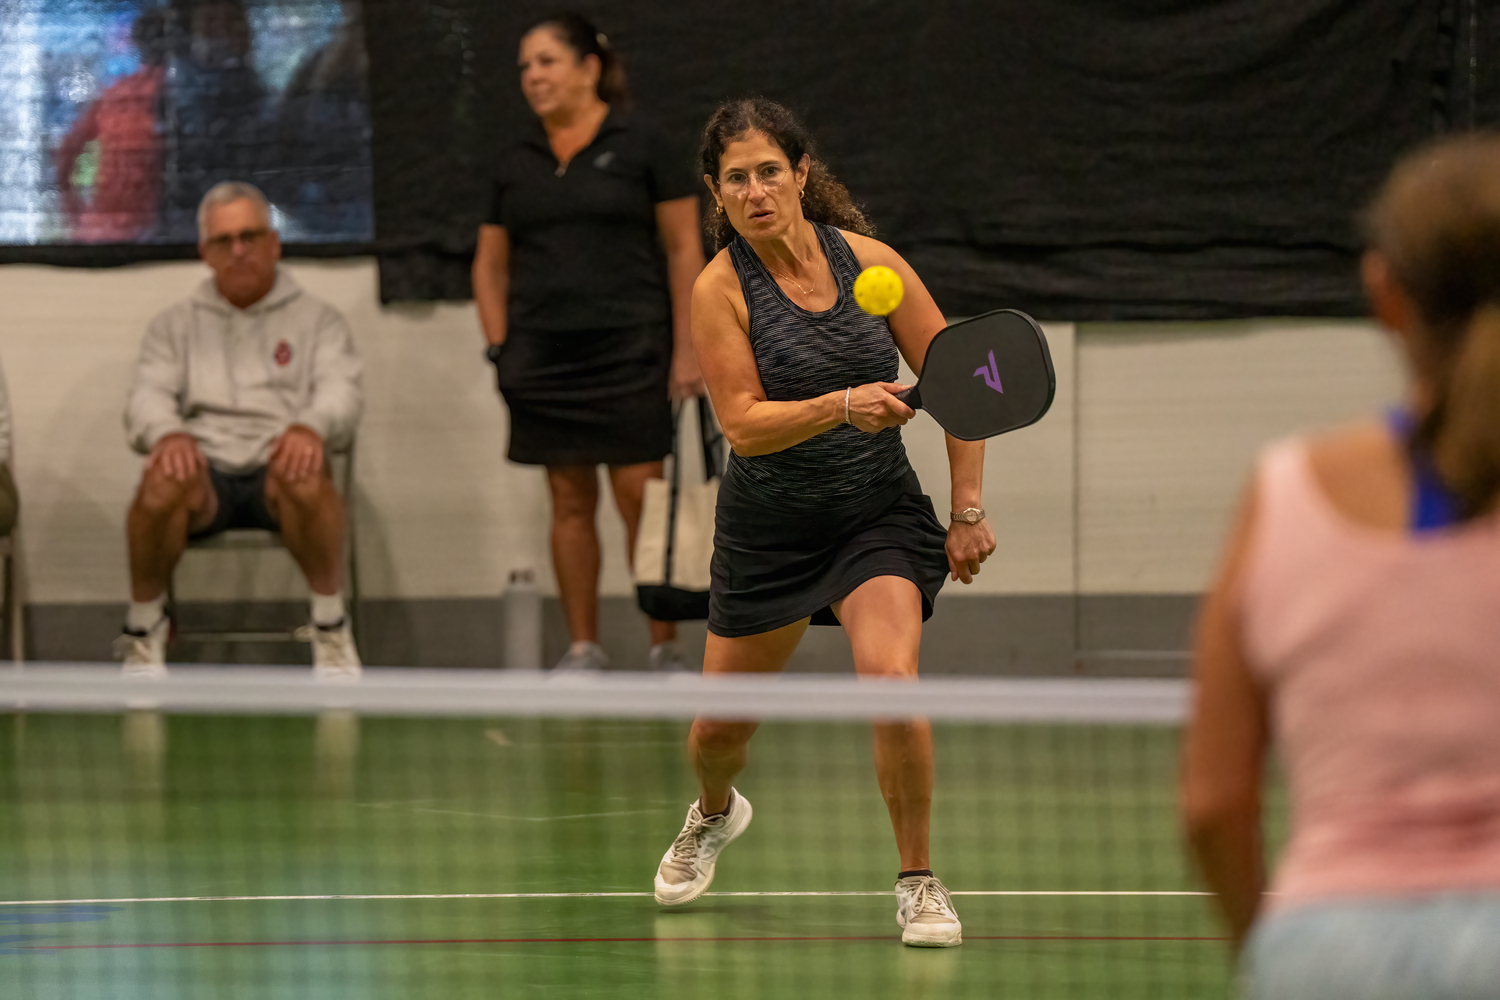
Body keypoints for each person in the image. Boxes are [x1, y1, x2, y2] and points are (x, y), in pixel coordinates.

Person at [650, 99, 996, 948]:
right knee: (717, 734)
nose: (757, 189)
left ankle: (917, 878)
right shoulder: (719, 289)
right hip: (770, 534)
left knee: (891, 686)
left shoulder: (870, 263)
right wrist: (842, 405)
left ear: (802, 173)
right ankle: (714, 812)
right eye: (738, 178)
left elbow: (960, 381)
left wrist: (967, 512)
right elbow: (741, 424)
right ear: (716, 192)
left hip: (874, 518)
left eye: (771, 170)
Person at [1181, 132, 1500, 998]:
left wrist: (1275, 954)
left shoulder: (1286, 493)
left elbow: (1213, 805)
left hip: (1331, 950)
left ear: (1384, 292)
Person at [472, 12, 706, 672]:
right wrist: (500, 347)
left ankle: (666, 647)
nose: (533, 77)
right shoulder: (515, 160)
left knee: (642, 500)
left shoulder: (644, 145)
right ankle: (583, 649)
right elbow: (489, 264)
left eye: (546, 61)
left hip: (631, 351)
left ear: (589, 68)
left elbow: (685, 248)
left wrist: (688, 350)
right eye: (524, 66)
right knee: (569, 503)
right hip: (543, 362)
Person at [118, 181, 363, 679]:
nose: (239, 251)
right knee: (159, 480)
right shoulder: (174, 324)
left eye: (250, 236)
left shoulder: (319, 320)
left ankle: (330, 626)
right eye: (224, 241)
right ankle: (145, 630)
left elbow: (343, 393)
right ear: (204, 254)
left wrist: (309, 427)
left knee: (305, 469)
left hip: (280, 469)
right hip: (205, 474)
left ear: (274, 243)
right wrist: (167, 433)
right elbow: (145, 397)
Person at [53, 7, 169, 242]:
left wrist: (81, 220)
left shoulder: (116, 94)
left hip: (112, 233)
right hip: (127, 233)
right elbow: (65, 156)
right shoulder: (123, 95)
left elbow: (65, 156)